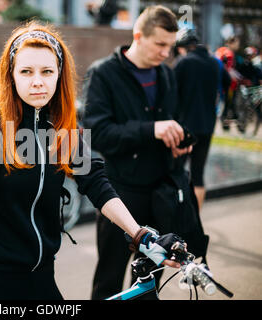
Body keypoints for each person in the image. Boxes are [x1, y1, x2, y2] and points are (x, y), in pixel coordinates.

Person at [0, 21, 182, 300]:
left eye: (47, 72)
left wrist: (140, 234)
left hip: (42, 278)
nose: (38, 82)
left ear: (59, 75)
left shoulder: (62, 129)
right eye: (26, 72)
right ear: (11, 75)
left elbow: (98, 185)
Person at [82, 5, 192, 300]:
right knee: (109, 277)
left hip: (160, 193)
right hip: (119, 194)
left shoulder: (167, 76)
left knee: (150, 280)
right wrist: (151, 129)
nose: (166, 53)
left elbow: (172, 119)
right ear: (138, 36)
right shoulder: (103, 73)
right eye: (160, 44)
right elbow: (98, 133)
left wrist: (177, 140)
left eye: (170, 46)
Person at [173, 28, 220, 210]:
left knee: (176, 171)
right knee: (198, 173)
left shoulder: (183, 62)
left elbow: (171, 92)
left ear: (184, 47)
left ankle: (177, 214)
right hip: (207, 125)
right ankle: (196, 218)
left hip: (185, 127)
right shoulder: (214, 63)